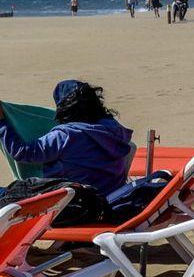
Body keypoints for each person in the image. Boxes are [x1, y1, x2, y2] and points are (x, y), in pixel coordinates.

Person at [0, 80, 133, 196]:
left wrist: (2, 124)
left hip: (76, 203)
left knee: (6, 192)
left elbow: (23, 153)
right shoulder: (114, 129)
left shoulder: (66, 135)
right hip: (110, 194)